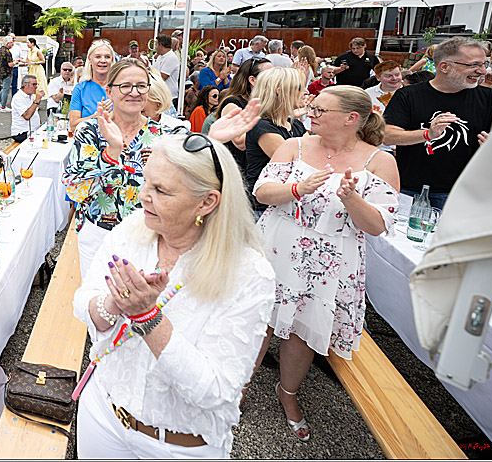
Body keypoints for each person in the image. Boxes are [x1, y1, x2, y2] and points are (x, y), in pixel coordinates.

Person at [72, 130, 274, 459]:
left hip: (177, 447)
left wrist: (148, 318)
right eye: (146, 182)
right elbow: (83, 301)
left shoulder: (249, 273)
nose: (142, 197)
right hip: (103, 416)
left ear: (207, 201)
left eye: (160, 190)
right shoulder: (134, 229)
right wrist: (113, 303)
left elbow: (217, 391)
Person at [253, 86, 399, 441]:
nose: (310, 113)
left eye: (320, 109)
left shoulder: (379, 161)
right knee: (257, 320)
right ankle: (237, 386)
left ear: (351, 119)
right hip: (278, 246)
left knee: (303, 330)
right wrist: (297, 189)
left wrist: (351, 199)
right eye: (311, 107)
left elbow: (378, 225)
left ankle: (287, 394)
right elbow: (261, 192)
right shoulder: (294, 146)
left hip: (332, 260)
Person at [64, 60, 180, 279]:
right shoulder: (90, 131)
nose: (134, 92)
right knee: (97, 303)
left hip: (147, 235)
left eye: (141, 86)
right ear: (109, 91)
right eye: (125, 86)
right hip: (98, 232)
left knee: (139, 303)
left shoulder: (162, 136)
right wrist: (112, 152)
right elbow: (75, 188)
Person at [383, 36, 492, 210]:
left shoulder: (490, 98)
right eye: (474, 65)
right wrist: (428, 134)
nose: (482, 71)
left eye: (484, 64)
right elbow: (387, 136)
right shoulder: (408, 95)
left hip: (461, 192)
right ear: (444, 66)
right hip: (408, 189)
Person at [244, 68, 308, 216]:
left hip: (283, 205)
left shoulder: (294, 124)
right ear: (280, 91)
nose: (305, 92)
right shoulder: (263, 127)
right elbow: (300, 163)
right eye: (299, 88)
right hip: (262, 209)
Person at [69, 39, 115, 133]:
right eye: (98, 57)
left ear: (112, 60)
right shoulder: (80, 89)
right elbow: (73, 126)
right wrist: (96, 116)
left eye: (107, 57)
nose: (103, 61)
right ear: (90, 59)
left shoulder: (121, 88)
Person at [11, 74, 44, 142]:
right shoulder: (18, 97)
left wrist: (40, 125)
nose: (36, 87)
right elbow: (27, 116)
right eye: (34, 84)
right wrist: (36, 100)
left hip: (32, 130)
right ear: (25, 85)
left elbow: (35, 112)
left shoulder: (31, 95)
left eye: (36, 84)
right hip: (22, 133)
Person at [151, 33, 180, 102]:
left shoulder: (171, 57)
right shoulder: (160, 56)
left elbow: (162, 77)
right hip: (160, 95)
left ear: (160, 46)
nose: (155, 47)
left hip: (169, 97)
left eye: (156, 45)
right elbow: (153, 71)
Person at [0, 33, 17, 110]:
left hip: (0, 71)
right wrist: (16, 62)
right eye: (11, 42)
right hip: (7, 72)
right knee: (6, 89)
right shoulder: (7, 52)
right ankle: (3, 106)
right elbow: (10, 64)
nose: (12, 44)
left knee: (4, 88)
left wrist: (1, 64)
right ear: (8, 43)